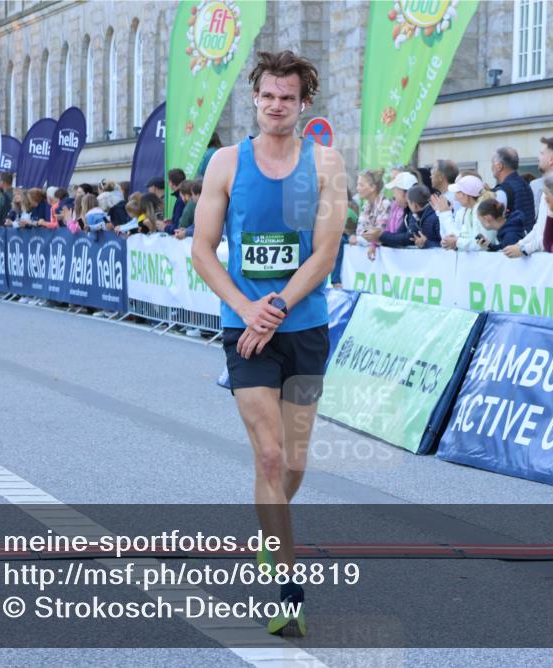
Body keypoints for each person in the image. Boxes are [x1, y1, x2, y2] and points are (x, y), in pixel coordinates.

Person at [191, 49, 345, 637]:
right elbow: (203, 250)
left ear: (304, 104)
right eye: (267, 96)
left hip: (303, 326)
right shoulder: (226, 164)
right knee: (270, 455)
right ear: (255, 100)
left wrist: (276, 307)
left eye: (287, 97)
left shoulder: (326, 163)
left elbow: (325, 253)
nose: (276, 106)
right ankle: (287, 588)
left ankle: (269, 530)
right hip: (246, 330)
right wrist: (246, 309)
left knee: (297, 460)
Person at [504, 136, 553, 258]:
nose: (538, 157)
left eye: (542, 153)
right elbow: (539, 227)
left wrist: (524, 249)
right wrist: (520, 244)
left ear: (551, 159)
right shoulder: (551, 186)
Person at [435, 174, 497, 252]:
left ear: (466, 195)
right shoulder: (470, 211)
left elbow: (483, 243)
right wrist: (454, 239)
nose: (455, 198)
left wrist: (457, 242)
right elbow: (465, 237)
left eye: (457, 193)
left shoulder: (483, 210)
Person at [378, 184, 441, 249]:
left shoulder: (434, 218)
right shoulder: (421, 216)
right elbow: (400, 234)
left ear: (414, 205)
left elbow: (446, 246)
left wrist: (426, 243)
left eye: (409, 203)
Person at [490, 147, 536, 233]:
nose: (491, 167)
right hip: (526, 238)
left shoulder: (502, 191)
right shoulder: (525, 184)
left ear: (499, 166)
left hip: (510, 241)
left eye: (492, 163)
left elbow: (492, 222)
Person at [363, 171, 415, 246]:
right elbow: (398, 236)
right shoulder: (407, 210)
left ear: (403, 193)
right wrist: (379, 238)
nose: (394, 196)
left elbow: (409, 238)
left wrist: (381, 235)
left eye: (395, 191)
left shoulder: (415, 211)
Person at [348, 169, 389, 248]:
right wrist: (359, 237)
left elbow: (377, 234)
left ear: (373, 187)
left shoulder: (385, 204)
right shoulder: (366, 205)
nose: (357, 188)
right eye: (357, 185)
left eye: (361, 185)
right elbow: (361, 231)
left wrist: (358, 239)